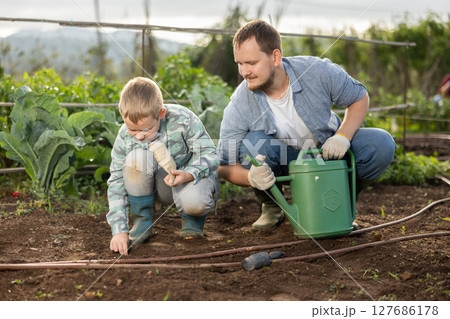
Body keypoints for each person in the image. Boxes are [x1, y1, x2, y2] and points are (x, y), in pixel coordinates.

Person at [218, 19, 396, 230]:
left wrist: (342, 137)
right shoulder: (241, 102)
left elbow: (359, 97)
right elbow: (224, 165)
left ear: (275, 57)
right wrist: (250, 176)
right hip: (286, 161)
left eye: (251, 63)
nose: (244, 72)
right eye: (240, 63)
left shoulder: (316, 71)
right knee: (253, 144)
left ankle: (341, 202)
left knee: (381, 143)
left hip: (327, 154)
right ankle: (272, 205)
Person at [107, 77, 219, 255]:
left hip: (189, 182)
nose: (139, 136)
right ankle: (142, 219)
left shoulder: (184, 119)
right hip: (159, 186)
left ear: (161, 113)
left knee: (196, 202)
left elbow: (210, 154)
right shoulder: (124, 137)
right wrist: (119, 230)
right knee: (135, 159)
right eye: (132, 130)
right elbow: (116, 181)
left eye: (146, 130)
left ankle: (192, 219)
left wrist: (189, 174)